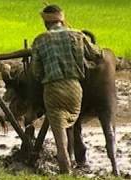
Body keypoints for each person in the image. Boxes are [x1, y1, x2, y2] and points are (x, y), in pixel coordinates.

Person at [31, 4, 102, 174]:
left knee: (59, 135)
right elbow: (96, 55)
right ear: (62, 19)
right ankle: (73, 163)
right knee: (70, 122)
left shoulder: (40, 40)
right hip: (75, 89)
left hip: (53, 90)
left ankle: (65, 171)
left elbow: (36, 72)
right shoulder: (77, 35)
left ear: (46, 22)